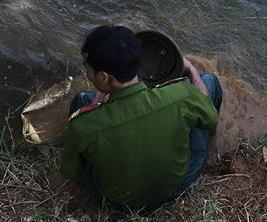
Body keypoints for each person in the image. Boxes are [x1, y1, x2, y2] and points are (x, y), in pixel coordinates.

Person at [61, 25, 222, 210]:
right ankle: (212, 144)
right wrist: (192, 71)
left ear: (104, 78)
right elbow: (210, 116)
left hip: (117, 202)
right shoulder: (182, 95)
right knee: (209, 81)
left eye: (88, 69)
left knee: (81, 99)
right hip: (177, 186)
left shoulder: (83, 125)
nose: (88, 74)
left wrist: (98, 101)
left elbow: (71, 172)